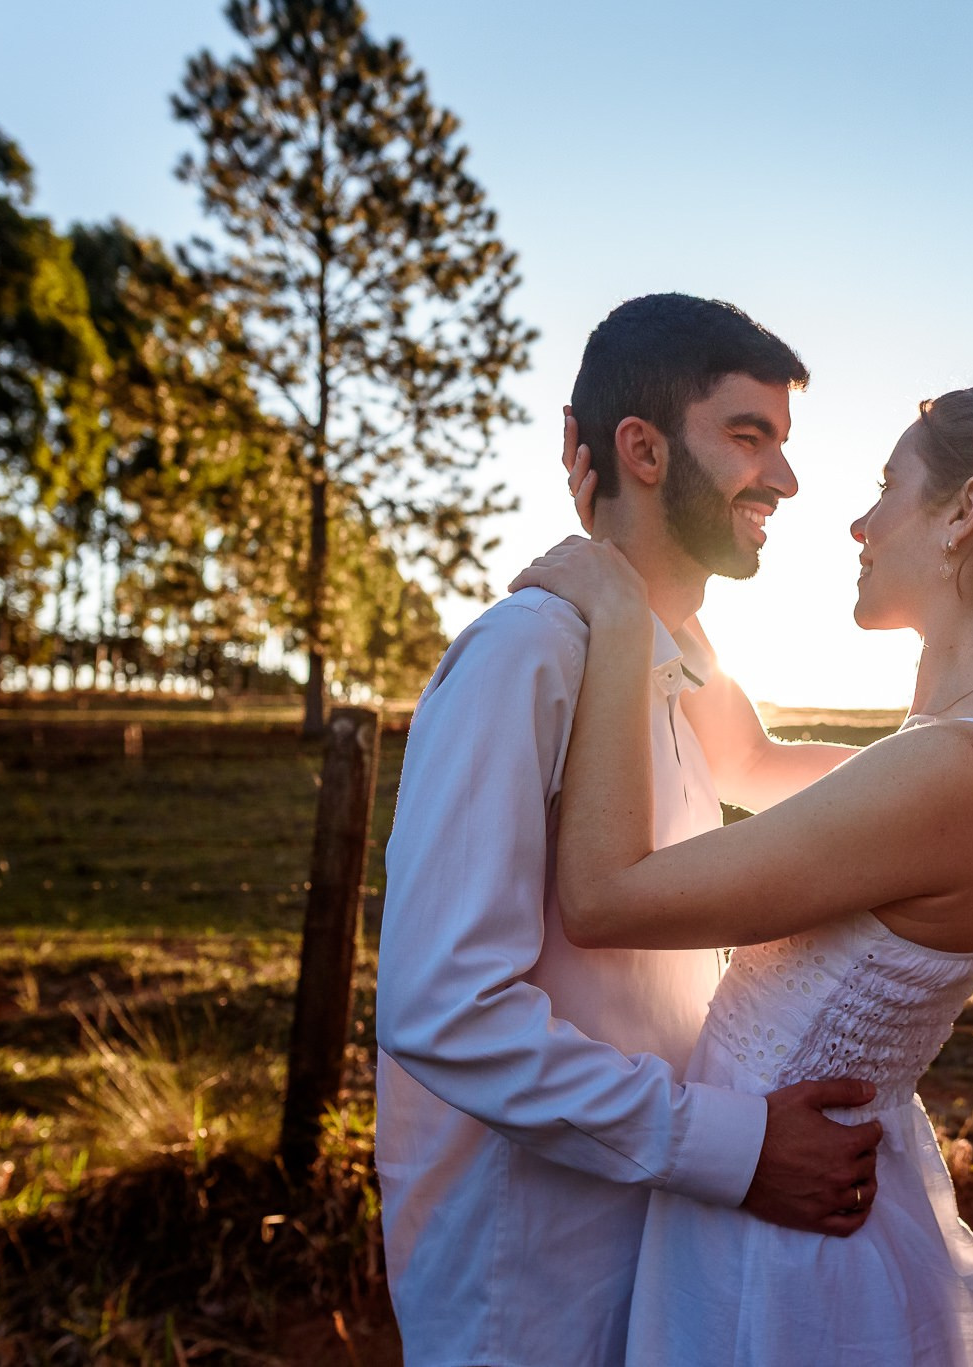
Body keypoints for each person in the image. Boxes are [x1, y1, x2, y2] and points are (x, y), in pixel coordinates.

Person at [512, 379, 973, 1366]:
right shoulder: (965, 754)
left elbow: (607, 896)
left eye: (885, 488)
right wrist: (639, 544)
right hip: (776, 1206)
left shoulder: (959, 771)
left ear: (966, 509)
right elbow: (744, 757)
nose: (858, 523)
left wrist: (612, 616)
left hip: (780, 1262)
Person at [375, 294, 888, 1367]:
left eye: (781, 444)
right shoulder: (528, 653)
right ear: (642, 449)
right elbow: (446, 1009)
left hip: (659, 1250)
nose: (784, 482)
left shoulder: (672, 659)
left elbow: (763, 766)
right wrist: (735, 1146)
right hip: (530, 1285)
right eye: (749, 437)